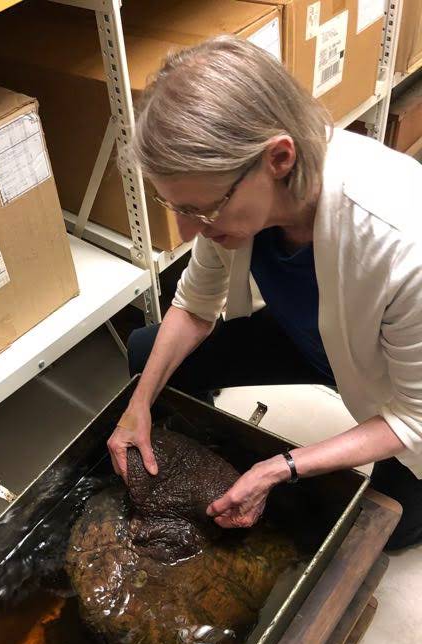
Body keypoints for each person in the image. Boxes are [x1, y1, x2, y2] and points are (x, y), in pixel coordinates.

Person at [107, 36, 422, 550]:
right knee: (148, 356)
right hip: (320, 334)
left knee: (384, 526)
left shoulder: (403, 243)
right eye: (178, 208)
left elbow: (415, 418)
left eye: (201, 209)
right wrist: (138, 407)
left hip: (400, 376)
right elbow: (194, 307)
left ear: (278, 158)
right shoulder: (238, 207)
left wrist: (281, 466)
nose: (188, 232)